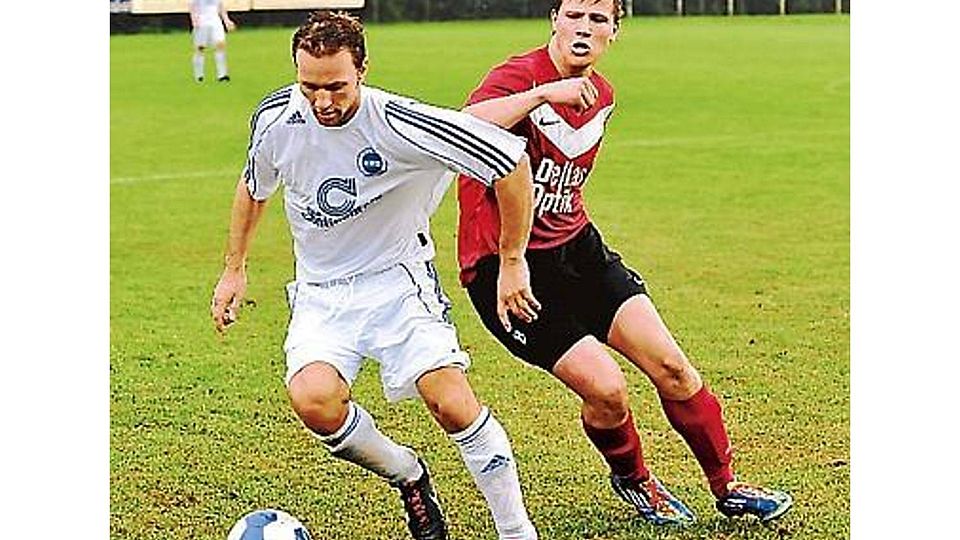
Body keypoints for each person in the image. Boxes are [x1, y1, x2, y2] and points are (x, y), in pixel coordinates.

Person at [457, 0, 792, 526]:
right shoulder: (519, 77)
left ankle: (727, 486)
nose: (583, 28)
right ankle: (635, 480)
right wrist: (541, 95)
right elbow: (463, 127)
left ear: (615, 30)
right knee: (607, 390)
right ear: (554, 18)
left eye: (598, 19)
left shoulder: (602, 96)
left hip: (579, 252)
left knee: (674, 369)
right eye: (574, 15)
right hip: (506, 269)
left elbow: (561, 185)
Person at [210, 10, 542, 540]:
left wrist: (512, 259)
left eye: (336, 87)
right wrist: (234, 269)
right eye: (309, 86)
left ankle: (516, 531)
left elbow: (510, 161)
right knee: (314, 401)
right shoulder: (276, 119)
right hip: (321, 293)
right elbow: (254, 186)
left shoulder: (400, 122)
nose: (322, 102)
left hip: (398, 283)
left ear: (362, 71)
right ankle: (408, 474)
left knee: (452, 403)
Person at [190, 0, 235, 82]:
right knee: (200, 48)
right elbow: (193, 7)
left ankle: (222, 75)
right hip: (202, 22)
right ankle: (199, 75)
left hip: (216, 22)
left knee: (220, 46)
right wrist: (194, 20)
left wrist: (227, 20)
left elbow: (221, 6)